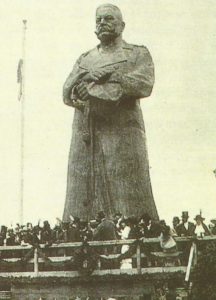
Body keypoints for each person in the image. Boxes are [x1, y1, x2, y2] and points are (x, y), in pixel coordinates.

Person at [62, 4, 158, 221]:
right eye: (98, 20)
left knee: (128, 192)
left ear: (122, 25)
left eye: (108, 18)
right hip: (87, 132)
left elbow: (143, 83)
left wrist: (96, 87)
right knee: (83, 196)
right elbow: (67, 91)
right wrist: (86, 86)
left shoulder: (137, 53)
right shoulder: (85, 58)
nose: (102, 23)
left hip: (123, 133)